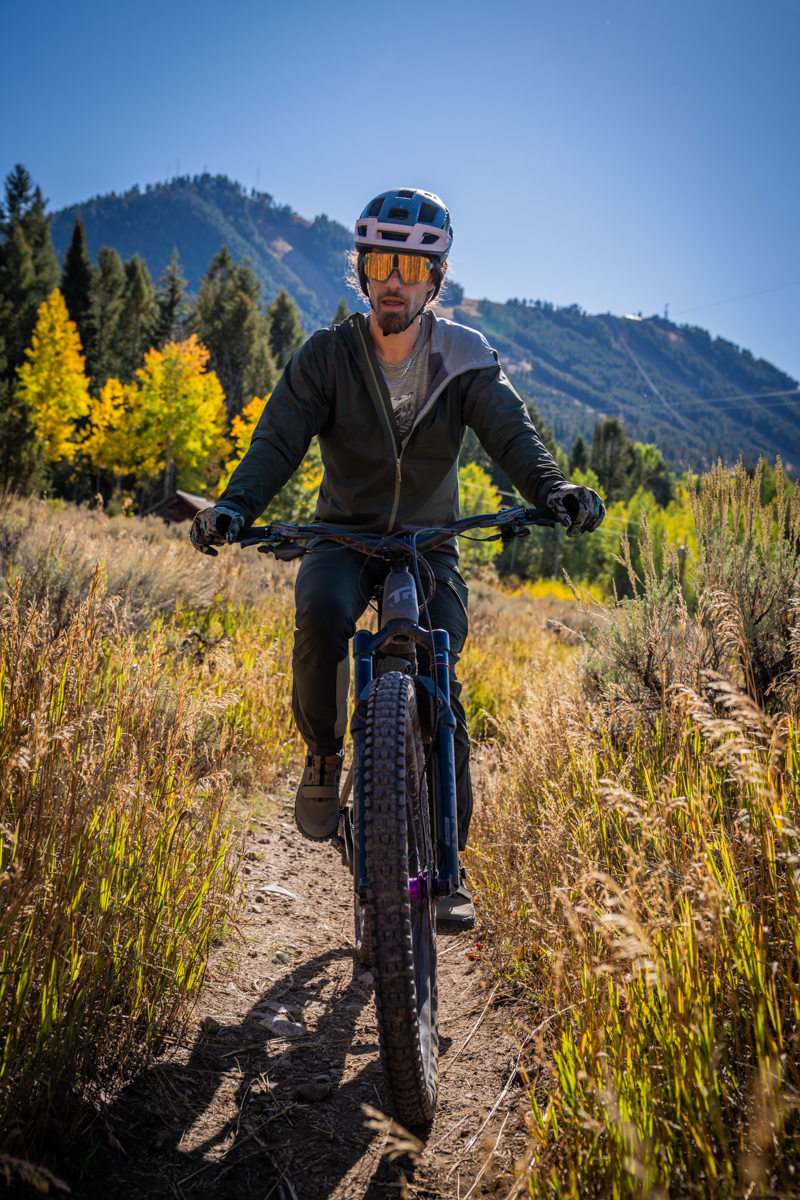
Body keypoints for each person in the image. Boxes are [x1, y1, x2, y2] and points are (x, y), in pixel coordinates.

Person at [190, 188, 605, 927]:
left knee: (441, 675)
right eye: (380, 261)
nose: (393, 279)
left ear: (434, 280)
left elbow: (514, 436)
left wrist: (555, 487)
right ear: (361, 269)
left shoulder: (466, 356)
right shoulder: (327, 357)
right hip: (342, 534)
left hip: (430, 545)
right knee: (320, 612)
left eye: (411, 267)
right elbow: (278, 440)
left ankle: (448, 866)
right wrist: (235, 506)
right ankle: (324, 755)